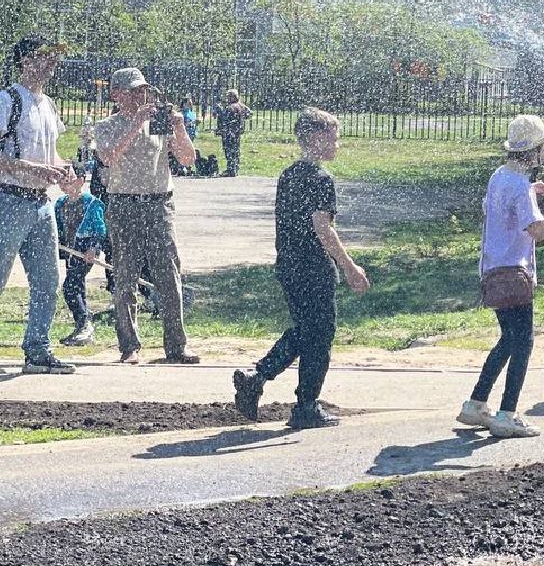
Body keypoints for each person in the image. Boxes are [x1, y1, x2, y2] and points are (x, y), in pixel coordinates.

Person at [232, 108, 371, 429]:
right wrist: (349, 267)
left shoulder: (288, 174)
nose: (338, 143)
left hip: (289, 266)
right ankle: (306, 406)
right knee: (320, 336)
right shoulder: (321, 179)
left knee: (307, 331)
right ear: (315, 137)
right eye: (334, 137)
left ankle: (257, 377)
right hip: (313, 268)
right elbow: (324, 229)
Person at [457, 115, 544, 438]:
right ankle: (507, 413)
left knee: (508, 338)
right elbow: (538, 231)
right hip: (514, 273)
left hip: (492, 270)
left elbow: (496, 206)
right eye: (543, 147)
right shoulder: (519, 185)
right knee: (524, 342)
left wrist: (531, 190)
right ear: (534, 151)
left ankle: (475, 404)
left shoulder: (500, 176)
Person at [93, 67, 198, 364]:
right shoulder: (107, 125)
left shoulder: (160, 123)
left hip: (159, 203)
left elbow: (188, 159)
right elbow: (109, 157)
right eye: (134, 90)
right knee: (125, 274)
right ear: (117, 94)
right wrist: (137, 123)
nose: (142, 95)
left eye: (143, 90)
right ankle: (129, 346)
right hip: (124, 203)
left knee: (169, 273)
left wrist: (179, 128)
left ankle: (176, 346)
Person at [0, 36, 76, 374]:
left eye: (53, 59)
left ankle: (37, 350)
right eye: (42, 57)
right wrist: (34, 169)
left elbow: (52, 153)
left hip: (42, 204)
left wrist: (65, 170)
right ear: (24, 61)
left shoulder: (49, 104)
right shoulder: (8, 99)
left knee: (47, 280)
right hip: (8, 200)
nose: (50, 64)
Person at [54, 166, 109, 346]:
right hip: (70, 252)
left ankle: (84, 323)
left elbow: (99, 229)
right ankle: (82, 325)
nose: (64, 183)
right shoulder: (60, 204)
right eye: (61, 180)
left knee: (71, 286)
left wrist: (93, 248)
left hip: (84, 251)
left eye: (68, 178)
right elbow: (55, 228)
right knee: (77, 285)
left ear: (81, 179)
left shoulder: (92, 204)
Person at [215, 89, 252, 177]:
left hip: (229, 132)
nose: (227, 98)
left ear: (232, 97)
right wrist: (241, 120)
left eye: (228, 96)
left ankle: (230, 169)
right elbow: (250, 113)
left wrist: (220, 111)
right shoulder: (241, 106)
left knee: (228, 150)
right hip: (237, 132)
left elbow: (224, 120)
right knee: (235, 150)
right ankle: (235, 168)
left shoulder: (231, 107)